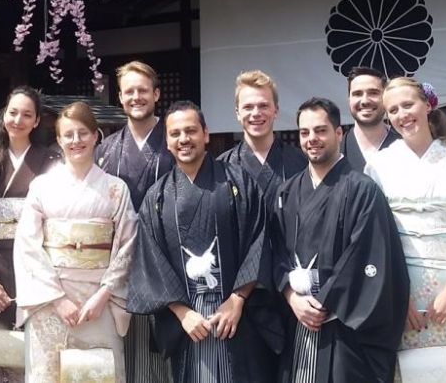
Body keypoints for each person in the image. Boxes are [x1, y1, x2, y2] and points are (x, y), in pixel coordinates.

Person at [128, 101, 280, 383]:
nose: (184, 139)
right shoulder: (157, 197)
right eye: (175, 133)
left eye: (191, 131)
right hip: (187, 321)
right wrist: (182, 313)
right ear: (167, 142)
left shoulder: (238, 183)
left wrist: (237, 299)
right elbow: (150, 259)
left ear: (205, 134)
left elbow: (259, 239)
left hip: (237, 315)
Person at [272, 97, 408, 383]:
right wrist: (291, 297)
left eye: (320, 130)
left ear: (338, 133)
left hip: (343, 326)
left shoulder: (362, 190)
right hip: (297, 317)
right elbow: (274, 252)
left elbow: (368, 256)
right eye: (304, 132)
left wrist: (323, 302)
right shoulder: (286, 192)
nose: (312, 139)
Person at [365, 78, 446, 383]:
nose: (402, 114)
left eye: (408, 105)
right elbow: (376, 237)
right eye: (393, 110)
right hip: (402, 294)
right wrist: (398, 296)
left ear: (428, 105)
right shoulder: (378, 166)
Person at [15, 101, 138, 383]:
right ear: (59, 140)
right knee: (47, 375)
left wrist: (104, 294)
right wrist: (57, 299)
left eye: (83, 133)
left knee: (99, 374)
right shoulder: (42, 186)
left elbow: (127, 245)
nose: (76, 140)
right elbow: (27, 246)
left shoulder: (116, 189)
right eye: (68, 134)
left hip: (99, 302)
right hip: (49, 302)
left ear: (95, 136)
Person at [0, 86, 57, 383]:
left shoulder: (51, 161)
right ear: (4, 115)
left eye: (27, 115)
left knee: (37, 361)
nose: (18, 120)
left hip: (37, 269)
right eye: (13, 112)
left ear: (37, 121)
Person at [95, 61, 174, 383]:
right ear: (120, 97)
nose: (136, 97)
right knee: (124, 357)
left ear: (157, 94)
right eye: (129, 91)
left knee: (165, 362)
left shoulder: (174, 141)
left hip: (168, 267)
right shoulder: (106, 150)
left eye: (143, 90)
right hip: (119, 268)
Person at [216, 70, 306, 206]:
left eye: (263, 106)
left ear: (276, 110)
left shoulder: (300, 162)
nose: (256, 113)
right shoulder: (223, 166)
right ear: (238, 113)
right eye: (248, 107)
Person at [339, 67, 399, 171]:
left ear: (386, 97)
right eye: (357, 94)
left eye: (373, 93)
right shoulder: (336, 153)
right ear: (349, 99)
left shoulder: (406, 147)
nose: (365, 101)